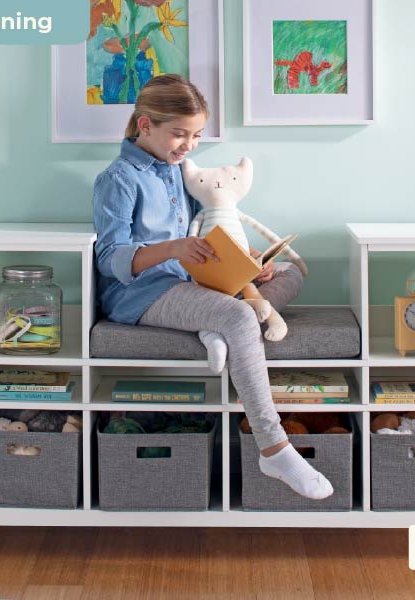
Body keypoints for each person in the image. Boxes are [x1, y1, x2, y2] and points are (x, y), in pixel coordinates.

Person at [92, 74, 333, 500]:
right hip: (141, 293)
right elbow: (110, 259)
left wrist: (247, 263)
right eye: (179, 134)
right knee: (242, 314)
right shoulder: (119, 178)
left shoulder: (175, 172)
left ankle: (213, 329)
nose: (188, 145)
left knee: (290, 274)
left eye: (196, 135)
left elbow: (205, 236)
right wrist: (172, 249)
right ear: (145, 125)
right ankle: (274, 447)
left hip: (192, 283)